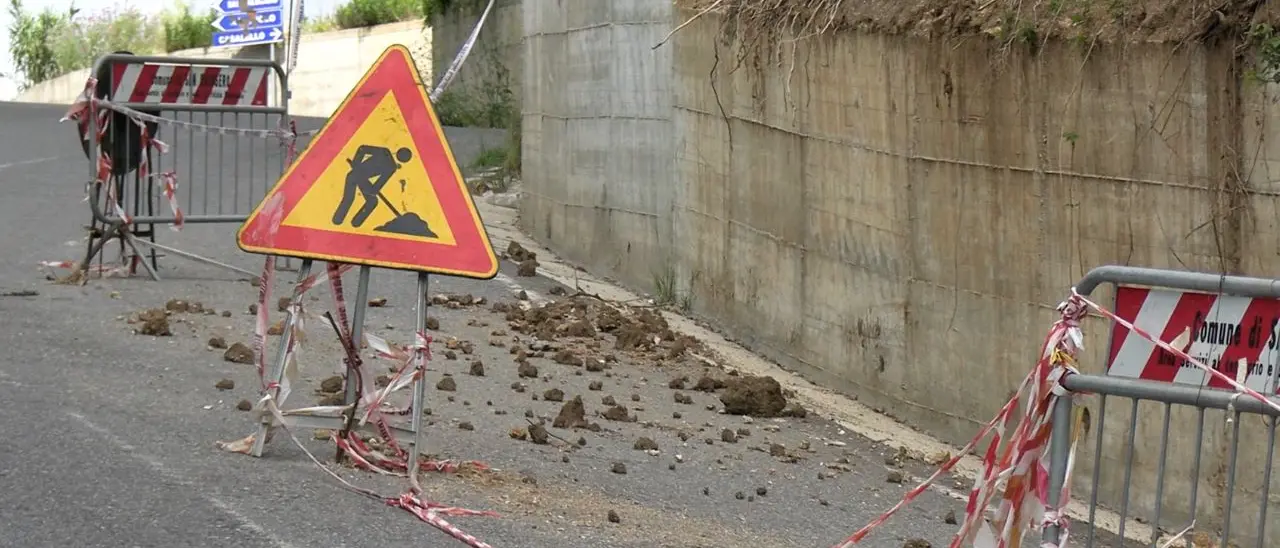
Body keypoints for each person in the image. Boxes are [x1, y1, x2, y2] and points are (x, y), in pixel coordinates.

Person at [331, 145, 412, 228]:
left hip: (363, 180)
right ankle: (337, 220)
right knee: (349, 198)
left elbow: (380, 183)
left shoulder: (392, 166)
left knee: (372, 201)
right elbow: (362, 149)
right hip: (353, 175)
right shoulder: (385, 153)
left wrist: (372, 190)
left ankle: (356, 223)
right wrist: (356, 165)